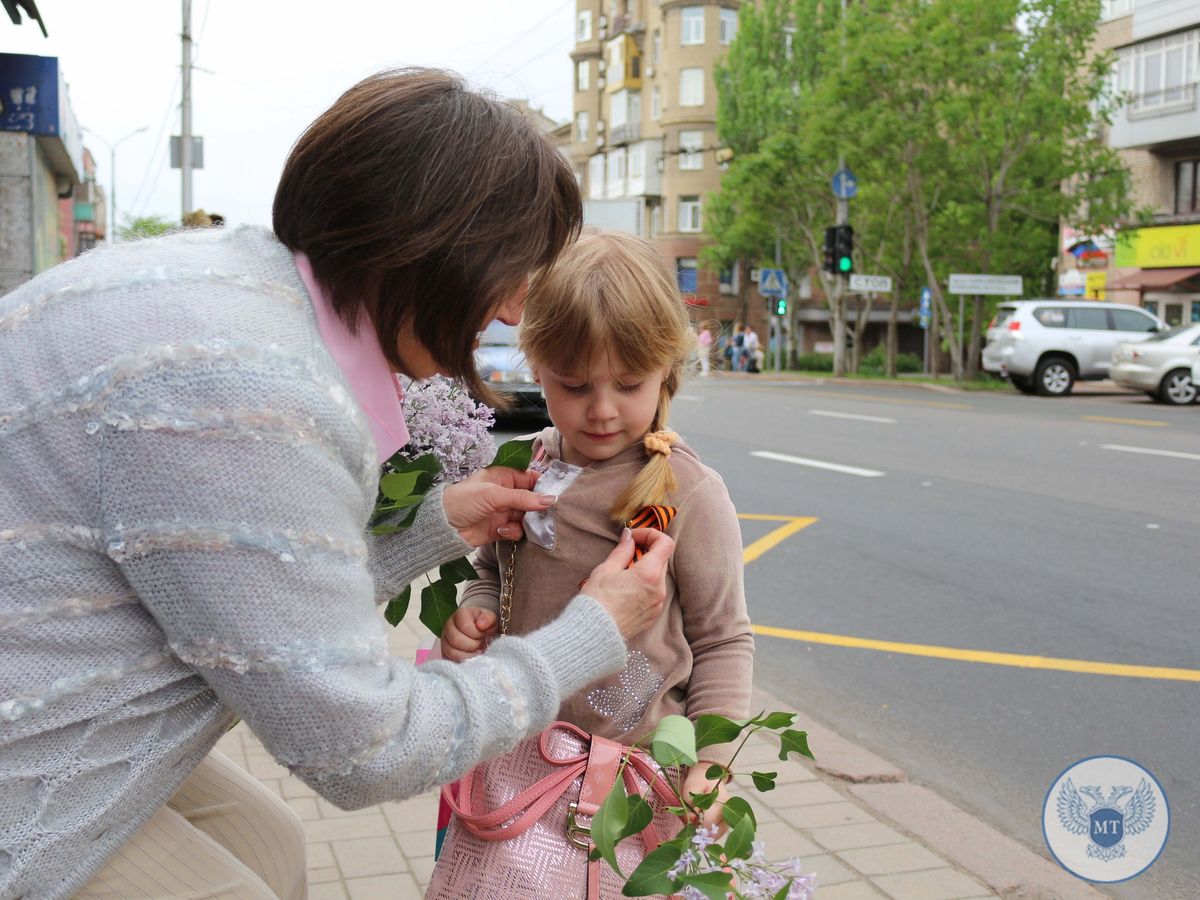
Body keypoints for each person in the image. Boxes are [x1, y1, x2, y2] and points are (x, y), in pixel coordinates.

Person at [0, 69, 674, 900]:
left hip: (44, 687)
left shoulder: (226, 285)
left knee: (269, 840)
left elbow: (236, 572)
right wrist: (590, 635)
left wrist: (431, 526)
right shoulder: (248, 396)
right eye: (508, 276)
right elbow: (363, 747)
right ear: (432, 252)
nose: (508, 314)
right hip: (25, 746)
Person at [429, 232, 753, 897]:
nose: (602, 409)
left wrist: (713, 763)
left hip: (634, 779)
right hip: (515, 754)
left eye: (628, 384)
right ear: (536, 367)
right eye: (573, 385)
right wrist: (476, 612)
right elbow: (496, 570)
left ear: (668, 368)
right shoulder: (529, 465)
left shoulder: (687, 492)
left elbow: (723, 639)